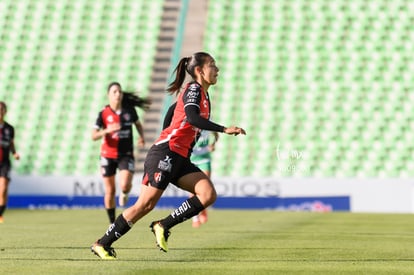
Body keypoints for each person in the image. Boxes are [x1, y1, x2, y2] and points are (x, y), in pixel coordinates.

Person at [91, 52, 246, 259]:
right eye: (213, 65)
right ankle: (102, 243)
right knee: (145, 205)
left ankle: (163, 225)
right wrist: (223, 129)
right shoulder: (193, 89)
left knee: (207, 194)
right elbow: (191, 117)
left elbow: (173, 111)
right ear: (199, 71)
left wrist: (167, 135)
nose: (217, 69)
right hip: (167, 154)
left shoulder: (203, 95)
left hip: (179, 157)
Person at [92, 82, 150, 224]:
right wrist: (107, 130)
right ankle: (112, 223)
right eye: (114, 92)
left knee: (124, 185)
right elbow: (93, 136)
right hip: (107, 155)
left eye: (120, 91)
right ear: (109, 95)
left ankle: (124, 193)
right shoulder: (103, 113)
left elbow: (138, 124)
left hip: (125, 154)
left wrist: (142, 137)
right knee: (110, 191)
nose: (118, 94)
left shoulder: (129, 111)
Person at [163, 103, 218, 228]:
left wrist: (213, 144)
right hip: (192, 159)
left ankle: (202, 211)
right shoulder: (189, 122)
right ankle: (195, 217)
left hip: (204, 160)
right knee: (194, 190)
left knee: (206, 186)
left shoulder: (206, 122)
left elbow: (214, 136)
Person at [0, 101, 20, 223]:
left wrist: (14, 153)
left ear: (5, 112)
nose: (0, 111)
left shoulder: (9, 128)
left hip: (4, 163)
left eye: (2, 109)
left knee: (3, 188)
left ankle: (0, 213)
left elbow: (11, 143)